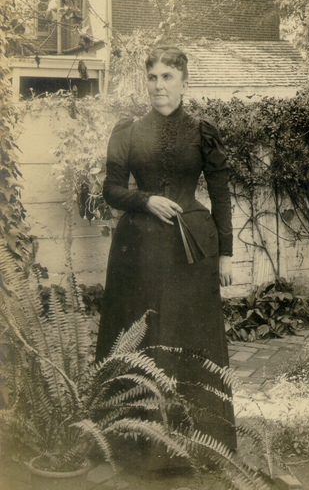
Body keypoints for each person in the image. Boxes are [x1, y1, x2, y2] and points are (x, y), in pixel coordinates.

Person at [96, 46, 236, 457]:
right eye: (153, 77)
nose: (159, 85)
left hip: (191, 250)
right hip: (137, 247)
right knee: (141, 335)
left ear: (184, 81)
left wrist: (226, 253)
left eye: (168, 77)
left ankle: (195, 443)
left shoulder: (203, 131)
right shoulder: (128, 131)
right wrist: (146, 200)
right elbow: (112, 189)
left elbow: (221, 193)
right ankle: (134, 444)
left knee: (188, 338)